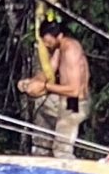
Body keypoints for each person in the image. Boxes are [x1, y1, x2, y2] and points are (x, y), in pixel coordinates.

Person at [16, 21, 90, 158]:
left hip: (74, 102)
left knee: (61, 150)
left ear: (58, 35)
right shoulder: (59, 48)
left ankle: (66, 161)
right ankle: (45, 144)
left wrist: (45, 87)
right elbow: (48, 70)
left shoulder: (71, 51)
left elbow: (74, 90)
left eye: (48, 41)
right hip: (63, 99)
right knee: (39, 100)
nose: (46, 44)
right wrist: (30, 83)